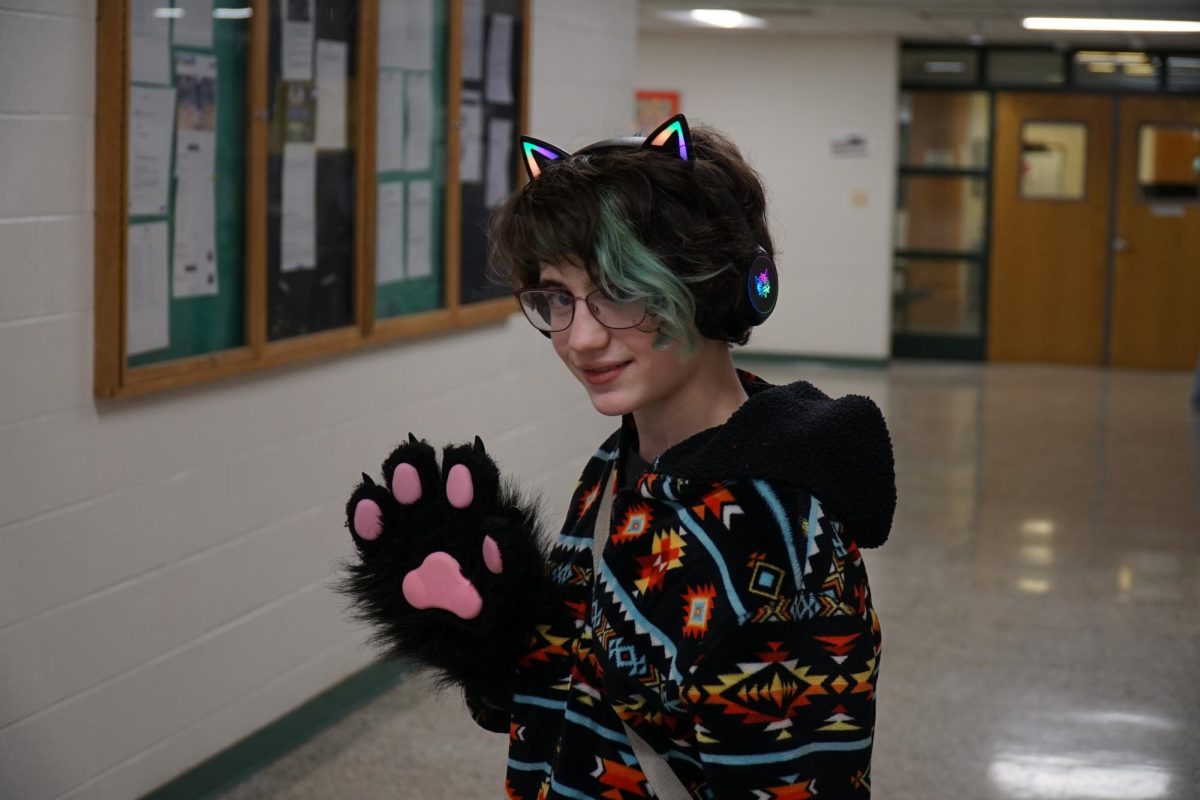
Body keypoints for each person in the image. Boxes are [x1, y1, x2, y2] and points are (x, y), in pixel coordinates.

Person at [340, 114, 896, 798]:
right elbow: (581, 707)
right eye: (558, 300)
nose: (580, 337)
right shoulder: (623, 466)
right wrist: (485, 635)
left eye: (620, 292)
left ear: (715, 284)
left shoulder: (778, 534)